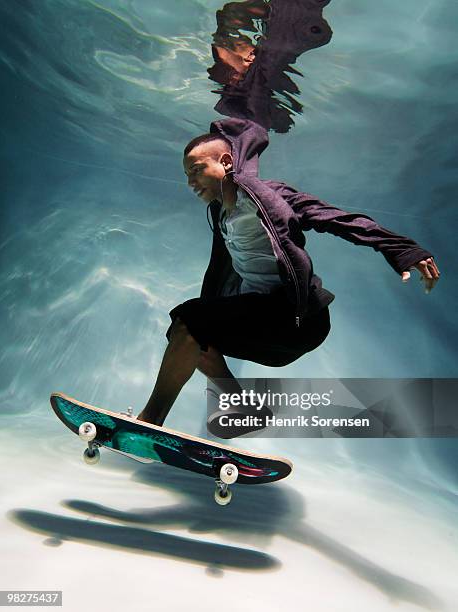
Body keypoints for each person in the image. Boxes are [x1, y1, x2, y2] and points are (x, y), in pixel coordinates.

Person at [137, 117, 440, 436]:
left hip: (300, 322)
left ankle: (149, 421)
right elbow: (219, 272)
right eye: (187, 175)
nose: (190, 182)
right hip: (264, 325)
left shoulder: (270, 197)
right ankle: (242, 407)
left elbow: (337, 219)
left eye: (196, 170)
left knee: (190, 318)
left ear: (226, 162)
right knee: (188, 336)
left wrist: (404, 250)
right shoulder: (220, 212)